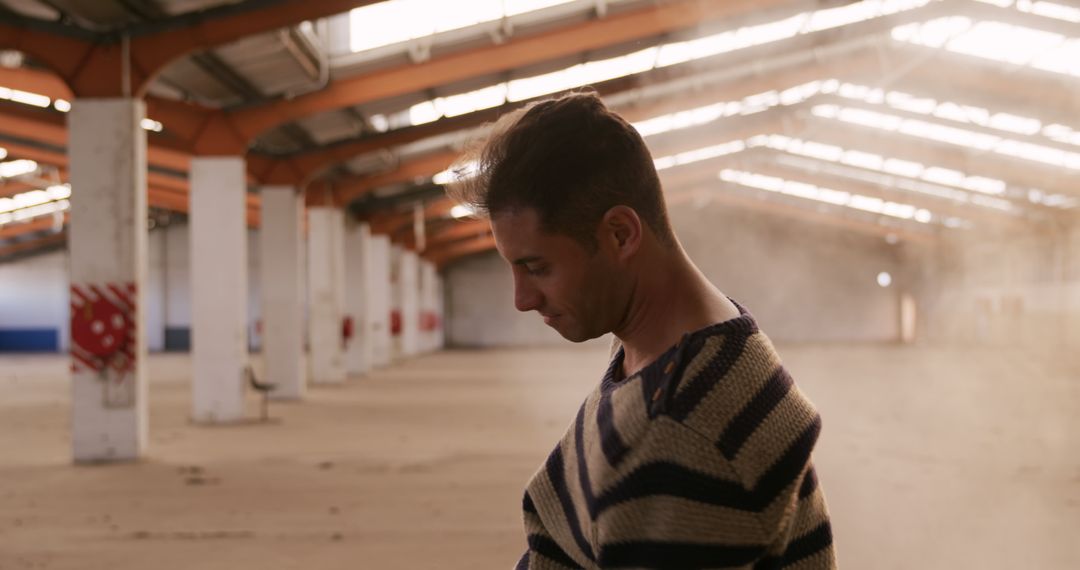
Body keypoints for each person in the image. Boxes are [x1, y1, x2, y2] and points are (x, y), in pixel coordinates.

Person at [446, 91, 835, 569]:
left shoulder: (686, 432)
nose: (522, 299)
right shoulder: (669, 349)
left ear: (621, 235)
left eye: (537, 267)